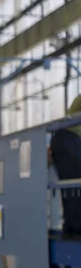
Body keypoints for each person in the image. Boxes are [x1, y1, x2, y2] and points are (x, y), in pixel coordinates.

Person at [50, 93, 81, 237]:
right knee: (75, 186)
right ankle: (74, 228)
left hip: (66, 140)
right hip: (69, 140)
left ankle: (72, 227)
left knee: (71, 188)